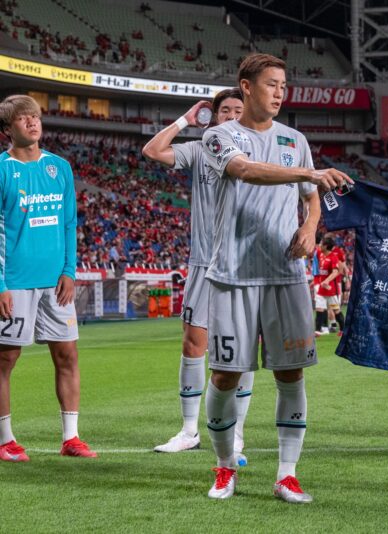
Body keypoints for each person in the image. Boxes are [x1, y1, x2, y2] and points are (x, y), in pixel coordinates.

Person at [199, 53, 351, 500]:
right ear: (246, 87)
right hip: (233, 273)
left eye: (284, 85)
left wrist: (310, 227)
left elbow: (311, 197)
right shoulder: (219, 135)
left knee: (291, 374)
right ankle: (225, 466)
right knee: (225, 375)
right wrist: (310, 173)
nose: (280, 93)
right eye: (271, 84)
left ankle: (287, 473)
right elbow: (245, 170)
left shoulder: (294, 139)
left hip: (286, 274)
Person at [142, 89, 255, 464]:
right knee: (193, 344)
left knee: (242, 351)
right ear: (215, 116)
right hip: (203, 263)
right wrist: (185, 121)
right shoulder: (199, 148)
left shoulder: (260, 149)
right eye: (225, 110)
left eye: (238, 110)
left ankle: (237, 434)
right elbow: (153, 151)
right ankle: (189, 431)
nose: (232, 115)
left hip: (244, 264)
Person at [0, 94, 96, 462]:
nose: (32, 122)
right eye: (23, 118)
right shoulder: (3, 169)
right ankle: (5, 440)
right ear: (8, 129)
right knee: (6, 359)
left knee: (68, 355)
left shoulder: (60, 168)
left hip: (55, 284)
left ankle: (71, 438)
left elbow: (69, 223)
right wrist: (1, 285)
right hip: (15, 282)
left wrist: (69, 271)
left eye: (36, 116)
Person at [313, 236, 344, 337]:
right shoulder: (321, 254)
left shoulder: (333, 257)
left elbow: (335, 272)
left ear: (326, 246)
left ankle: (343, 329)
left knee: (336, 310)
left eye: (321, 244)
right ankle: (317, 331)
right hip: (322, 288)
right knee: (319, 308)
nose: (319, 245)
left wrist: (326, 281)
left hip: (330, 289)